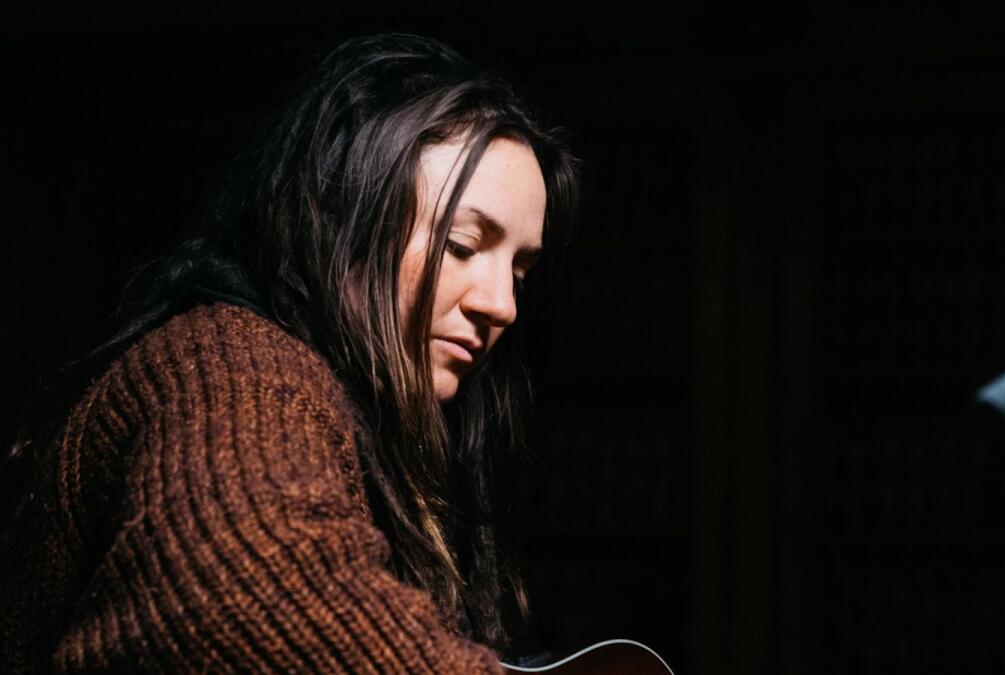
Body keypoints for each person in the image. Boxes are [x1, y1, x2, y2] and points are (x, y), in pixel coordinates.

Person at [0, 32, 579, 673]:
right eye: (462, 245)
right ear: (347, 217)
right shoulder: (230, 369)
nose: (503, 305)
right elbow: (238, 597)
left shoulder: (374, 427)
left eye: (520, 273)